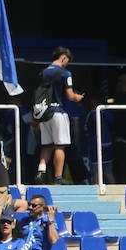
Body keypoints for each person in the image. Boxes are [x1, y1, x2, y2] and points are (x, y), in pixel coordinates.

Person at [37, 46, 83, 185]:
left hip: (44, 113)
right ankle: (58, 177)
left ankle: (41, 172)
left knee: (47, 145)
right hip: (58, 112)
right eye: (67, 61)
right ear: (64, 57)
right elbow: (69, 95)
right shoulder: (65, 73)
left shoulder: (43, 73)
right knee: (60, 146)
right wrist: (77, 97)